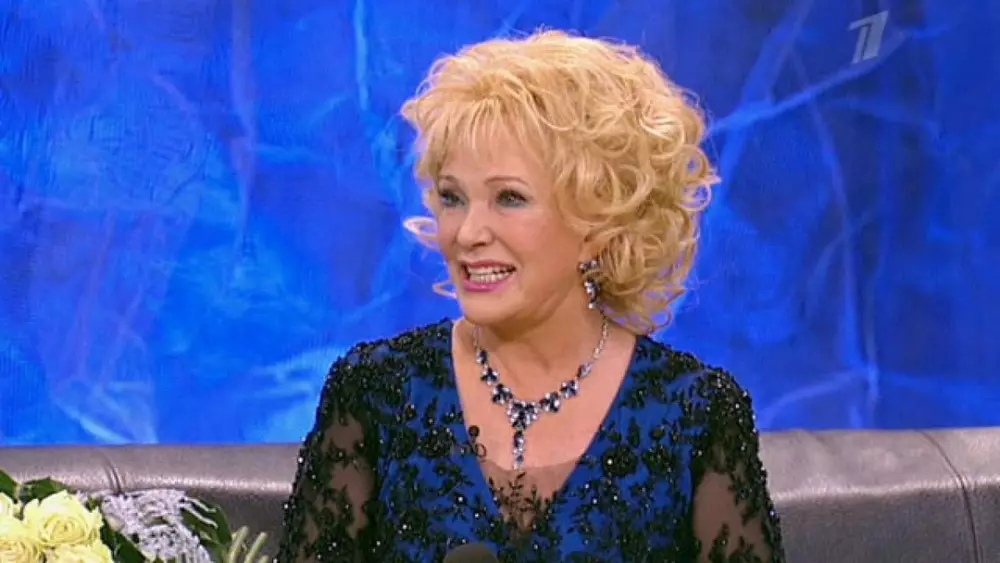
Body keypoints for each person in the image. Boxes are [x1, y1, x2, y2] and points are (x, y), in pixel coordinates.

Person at [276, 29, 785, 562]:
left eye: (509, 198)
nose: (467, 232)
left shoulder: (695, 415)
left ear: (597, 222)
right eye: (452, 197)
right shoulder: (375, 391)